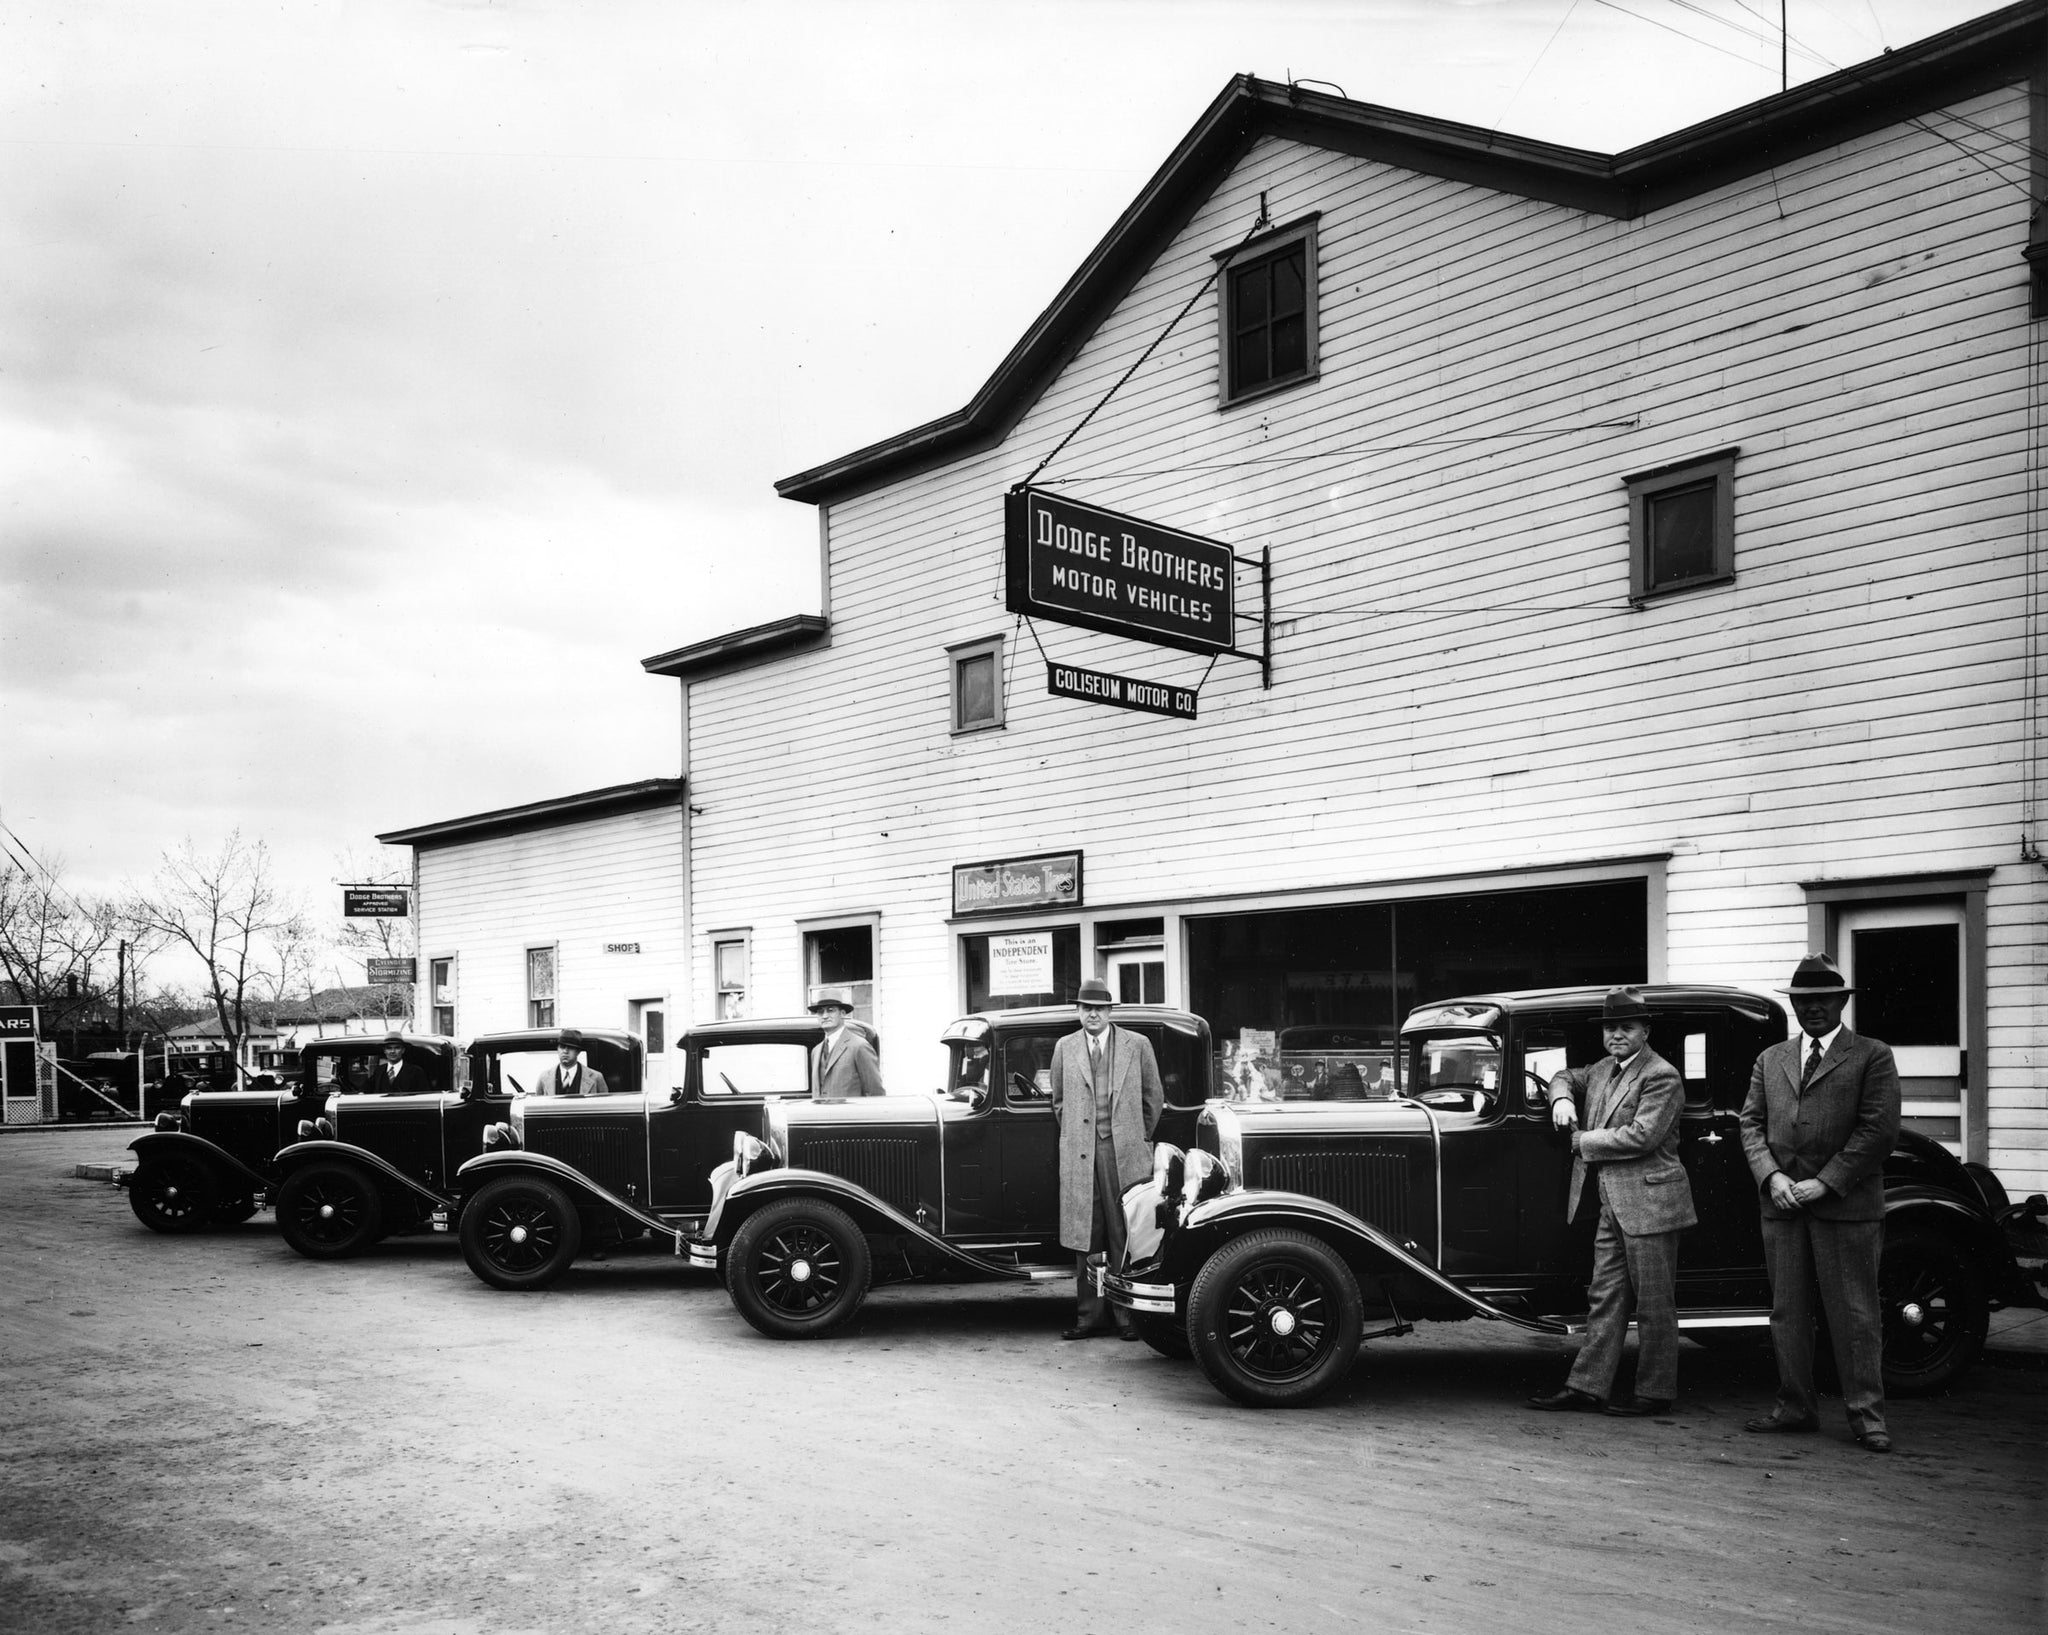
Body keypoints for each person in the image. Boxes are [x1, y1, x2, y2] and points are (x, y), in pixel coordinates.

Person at [1739, 953, 1902, 1452]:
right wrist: (1773, 1177)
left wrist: (1826, 1182)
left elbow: (1878, 1130)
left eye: (1822, 1000)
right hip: (1783, 1204)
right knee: (1788, 1311)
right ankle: (1794, 1407)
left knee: (1854, 1313)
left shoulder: (1872, 1055)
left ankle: (1867, 1416)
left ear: (1840, 1002)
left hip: (1845, 1205)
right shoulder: (1772, 1058)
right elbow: (1750, 1124)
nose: (1812, 1009)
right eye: (1803, 1001)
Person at [1528, 985, 1696, 1417]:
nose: (1617, 1034)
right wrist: (1562, 1098)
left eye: (1626, 1026)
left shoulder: (1662, 1075)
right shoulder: (1605, 1069)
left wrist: (1583, 1140)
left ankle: (1656, 1392)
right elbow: (1564, 1076)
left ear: (1645, 1030)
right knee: (1604, 1296)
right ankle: (1587, 1386)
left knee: (1654, 1302)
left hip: (1652, 1203)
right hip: (1613, 1202)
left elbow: (1642, 1135)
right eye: (1610, 1027)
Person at [1049, 978, 1163, 1341]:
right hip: (1082, 1154)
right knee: (1088, 1236)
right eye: (1086, 1008)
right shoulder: (1065, 1047)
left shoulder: (1137, 1045)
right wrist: (1080, 1137)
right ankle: (1089, 1316)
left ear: (1110, 1011)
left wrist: (1135, 1137)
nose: (1092, 1014)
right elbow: (1059, 1103)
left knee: (1125, 1232)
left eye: (1099, 1008)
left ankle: (1127, 1317)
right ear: (1078, 1011)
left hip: (1125, 1152)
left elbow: (1153, 1098)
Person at [811, 991, 882, 1098]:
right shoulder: (816, 1051)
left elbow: (875, 1092)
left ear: (842, 1013)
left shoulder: (859, 1046)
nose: (825, 1016)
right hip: (821, 1114)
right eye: (820, 1012)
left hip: (850, 1114)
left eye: (831, 1010)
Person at [535, 1030, 608, 1097]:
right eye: (562, 1047)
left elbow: (605, 1106)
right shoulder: (544, 1077)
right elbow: (537, 1106)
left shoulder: (596, 1077)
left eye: (570, 1047)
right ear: (557, 1049)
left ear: (578, 1051)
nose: (565, 1051)